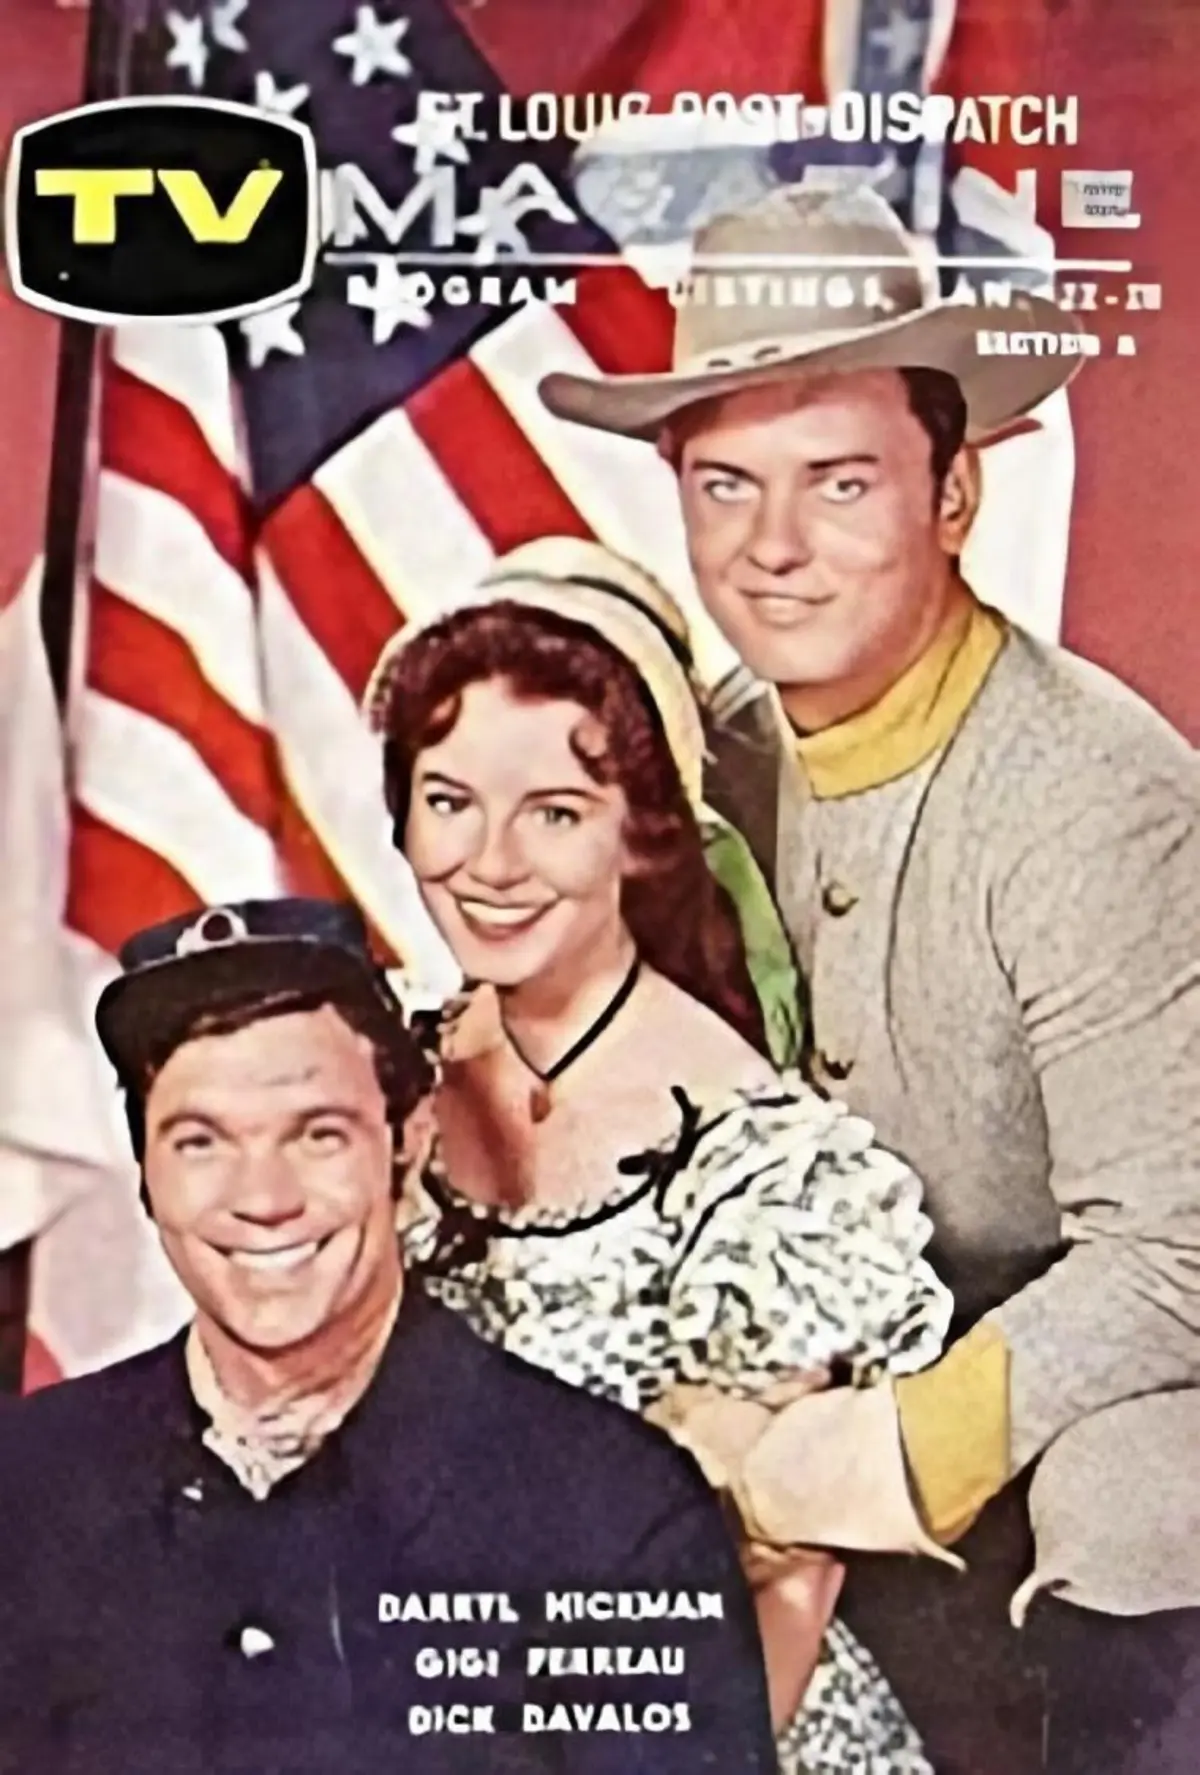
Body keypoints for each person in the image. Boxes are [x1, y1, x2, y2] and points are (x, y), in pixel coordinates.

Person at [537, 179, 1200, 1773]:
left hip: (1077, 1408)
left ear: (954, 490)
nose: (773, 549)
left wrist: (839, 1462)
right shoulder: (711, 759)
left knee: (1145, 1501)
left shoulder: (1096, 797)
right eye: (726, 484)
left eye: (840, 481)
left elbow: (1177, 1257)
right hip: (799, 1373)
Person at [364, 538, 956, 1775]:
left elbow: (789, 1581)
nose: (490, 862)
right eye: (449, 800)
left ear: (642, 832)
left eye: (555, 813)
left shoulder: (764, 1163)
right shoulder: (372, 1060)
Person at [0, 897, 780, 1775]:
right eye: (200, 1141)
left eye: (317, 1134)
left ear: (406, 1146)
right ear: (145, 1173)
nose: (264, 1198)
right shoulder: (24, 1483)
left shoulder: (611, 1509)